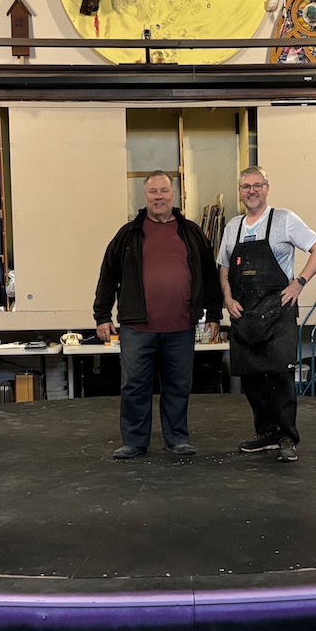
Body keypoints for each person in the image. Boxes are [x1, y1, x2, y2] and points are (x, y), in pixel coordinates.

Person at [94, 171, 221, 459]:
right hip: (137, 328)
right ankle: (135, 442)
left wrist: (214, 313)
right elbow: (107, 275)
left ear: (173, 194)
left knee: (178, 386)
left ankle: (177, 439)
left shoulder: (190, 232)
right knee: (134, 386)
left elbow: (209, 276)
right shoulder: (128, 234)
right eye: (153, 192)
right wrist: (102, 315)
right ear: (145, 196)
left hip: (181, 326)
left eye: (164, 191)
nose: (159, 197)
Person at [218, 165, 316, 463]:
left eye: (258, 185)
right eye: (246, 186)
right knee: (252, 378)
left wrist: (299, 283)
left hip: (278, 311)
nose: (252, 191)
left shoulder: (284, 220)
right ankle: (265, 433)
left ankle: (286, 437)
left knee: (280, 376)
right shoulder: (233, 227)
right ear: (240, 192)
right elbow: (225, 268)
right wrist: (227, 298)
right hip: (245, 313)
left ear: (267, 188)